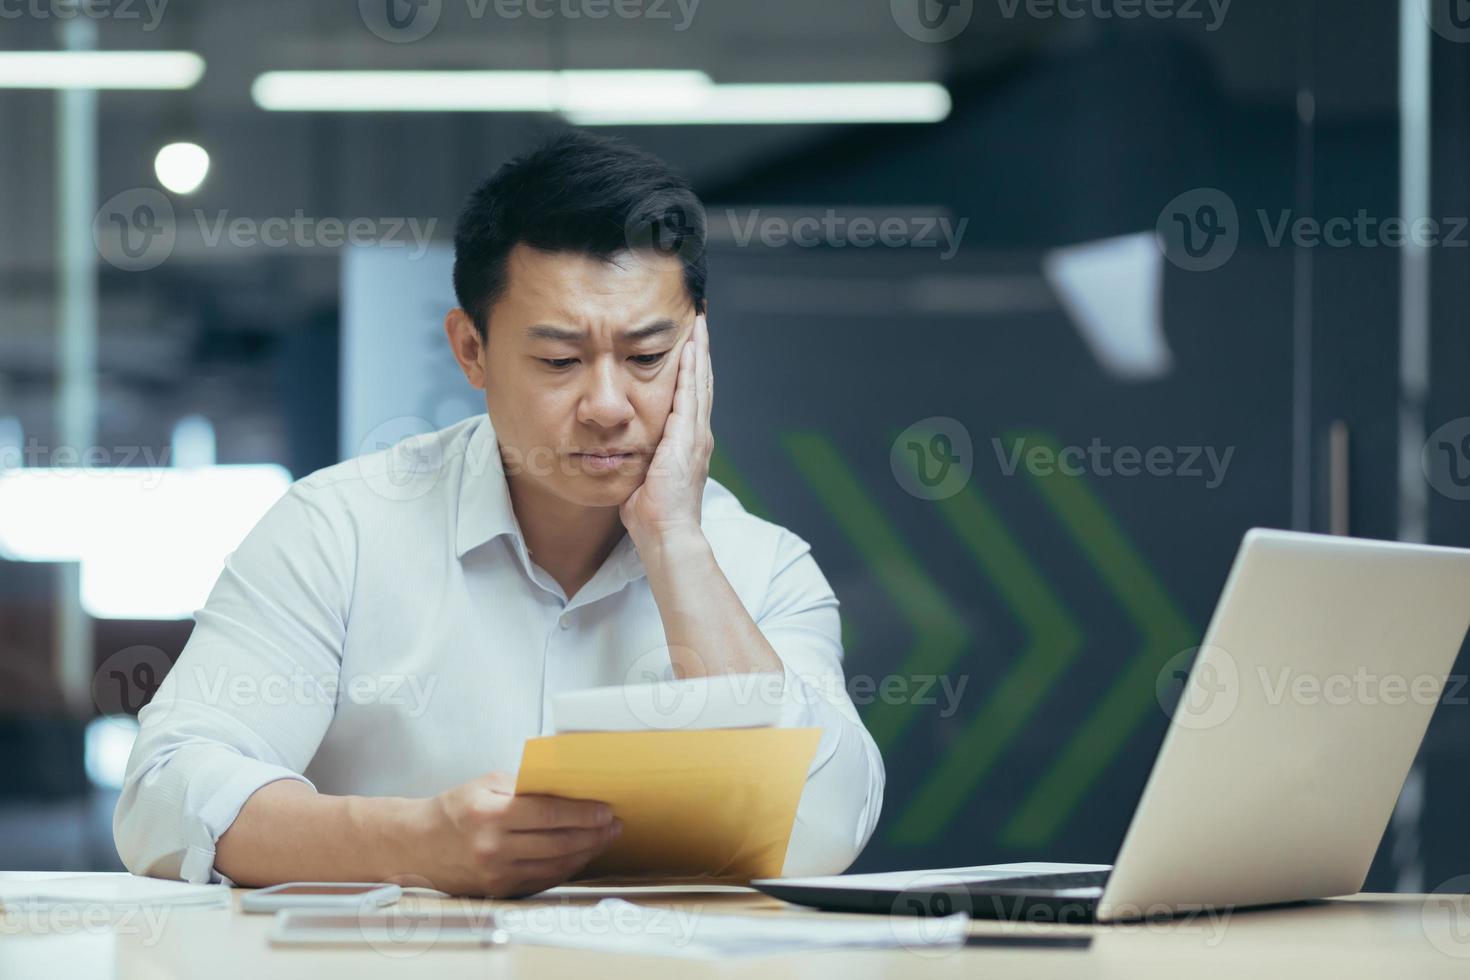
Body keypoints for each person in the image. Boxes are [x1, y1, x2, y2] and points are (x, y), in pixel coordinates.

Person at [114, 132, 884, 896]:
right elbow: (164, 794)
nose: (610, 406)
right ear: (470, 350)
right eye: (559, 361)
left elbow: (822, 828)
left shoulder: (763, 567)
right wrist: (413, 842)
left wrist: (676, 542)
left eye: (649, 357)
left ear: (698, 347)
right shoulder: (338, 531)